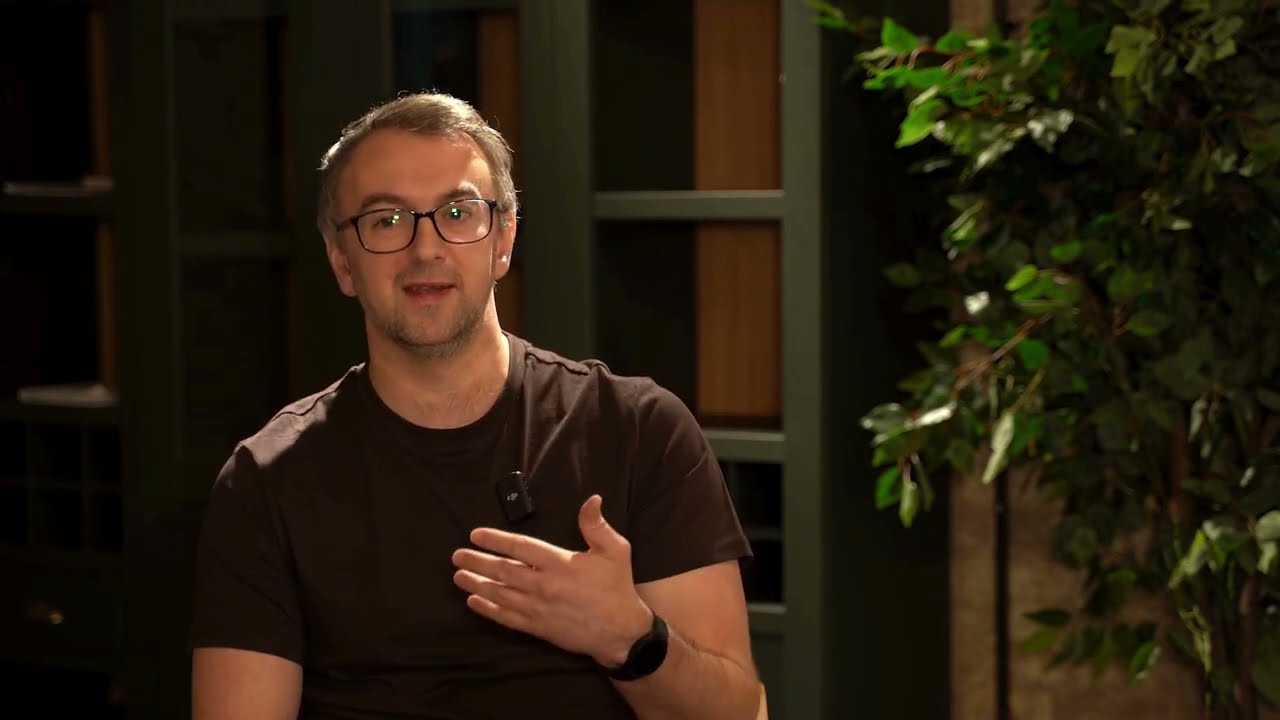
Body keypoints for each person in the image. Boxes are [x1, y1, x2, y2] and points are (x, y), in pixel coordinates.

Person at [188, 91, 762, 719]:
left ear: (504, 240)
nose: (425, 249)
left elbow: (737, 713)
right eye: (386, 220)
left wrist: (627, 638)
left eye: (458, 213)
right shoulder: (267, 479)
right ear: (341, 262)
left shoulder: (639, 430)